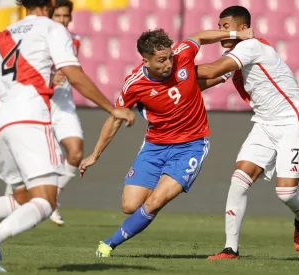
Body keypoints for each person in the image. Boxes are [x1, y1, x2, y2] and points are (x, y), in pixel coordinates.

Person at [0, 0, 135, 272]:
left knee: (21, 198)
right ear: (50, 4)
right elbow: (73, 74)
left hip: (1, 123)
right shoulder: (52, 29)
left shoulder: (3, 34)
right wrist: (112, 109)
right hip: (30, 118)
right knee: (45, 201)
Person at [79, 28, 254, 257]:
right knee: (130, 206)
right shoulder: (134, 84)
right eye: (161, 60)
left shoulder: (183, 54)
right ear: (146, 60)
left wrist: (234, 34)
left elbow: (199, 37)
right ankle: (137, 219)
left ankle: (108, 244)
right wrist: (95, 154)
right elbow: (115, 119)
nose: (169, 63)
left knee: (155, 202)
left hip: (191, 146)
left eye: (170, 57)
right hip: (154, 147)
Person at [195, 6, 299, 260]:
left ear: (241, 27)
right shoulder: (236, 52)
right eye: (218, 26)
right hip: (264, 123)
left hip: (292, 122)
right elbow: (207, 81)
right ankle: (231, 249)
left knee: (286, 194)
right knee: (239, 179)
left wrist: (175, 70)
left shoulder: (251, 48)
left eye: (225, 27)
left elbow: (210, 70)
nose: (220, 32)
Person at [4, 0, 82, 226]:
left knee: (75, 154)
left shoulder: (74, 40)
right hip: (40, 103)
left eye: (66, 16)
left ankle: (52, 199)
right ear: (50, 15)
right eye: (58, 16)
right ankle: (13, 198)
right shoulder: (37, 37)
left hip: (64, 105)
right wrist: (50, 78)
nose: (63, 20)